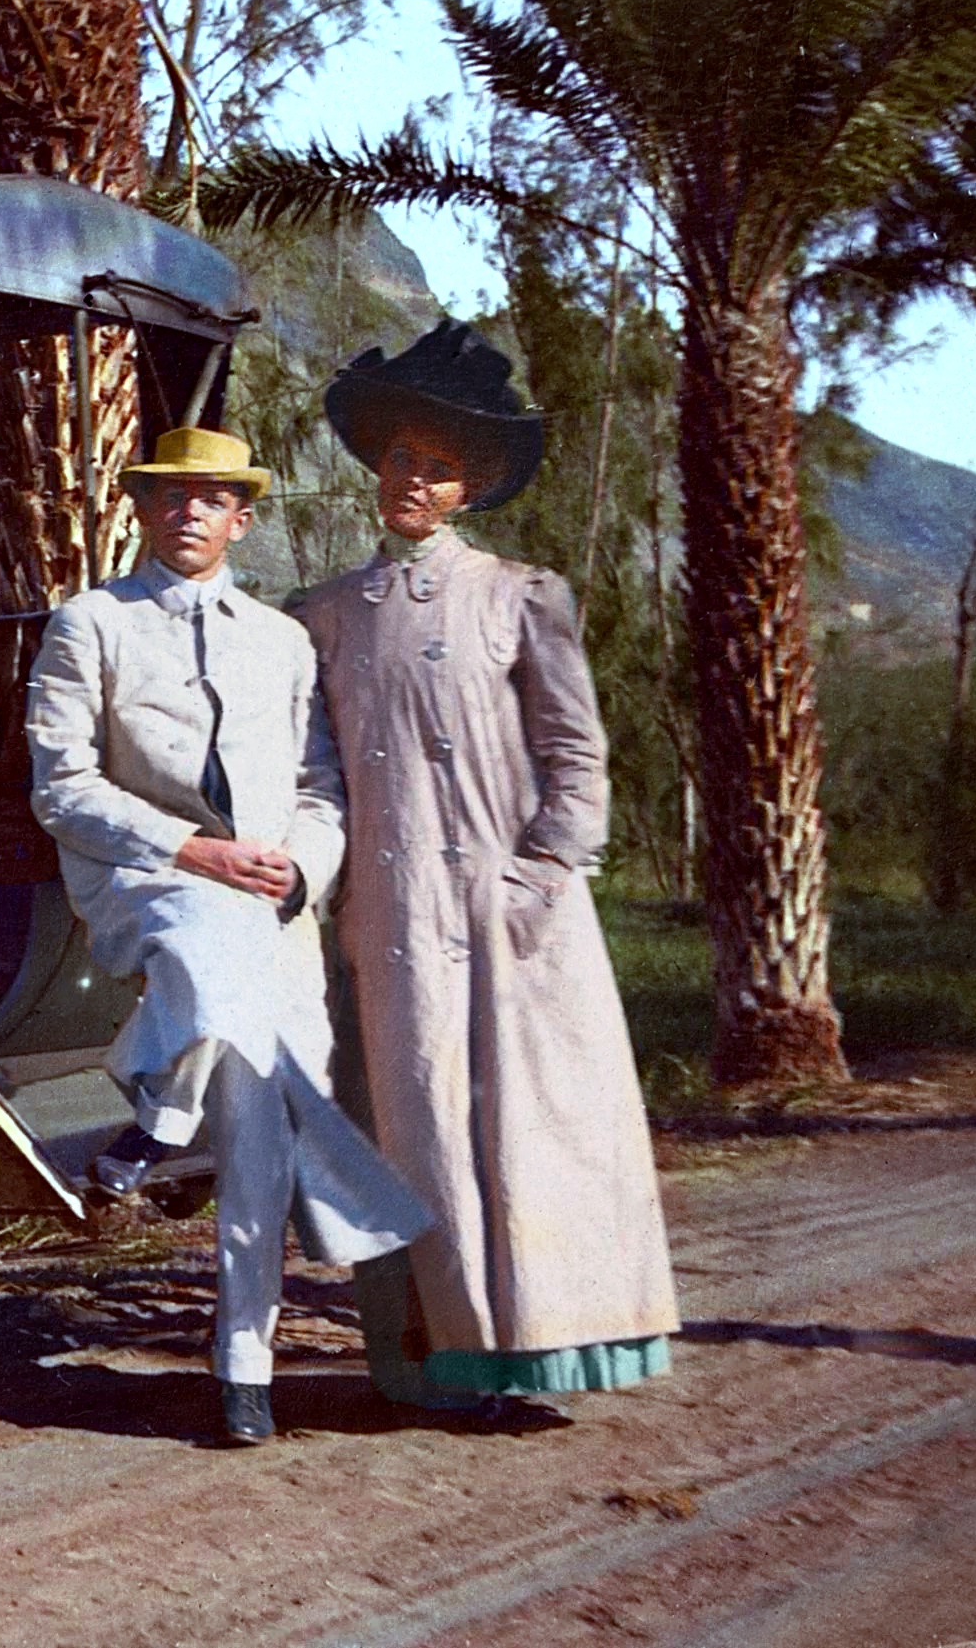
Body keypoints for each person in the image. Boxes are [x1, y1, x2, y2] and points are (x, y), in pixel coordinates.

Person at [297, 320, 679, 1412]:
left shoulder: (522, 597)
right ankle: (429, 1360)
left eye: (438, 467)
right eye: (400, 460)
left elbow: (574, 754)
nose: (412, 481)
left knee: (529, 1128)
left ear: (469, 486)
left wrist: (541, 873)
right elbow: (313, 769)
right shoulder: (323, 616)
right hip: (388, 913)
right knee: (409, 1122)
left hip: (511, 914)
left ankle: (547, 1346)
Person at [27, 425, 432, 1447]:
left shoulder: (281, 639)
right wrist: (192, 851)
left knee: (259, 1134)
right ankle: (163, 1116)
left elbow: (319, 787)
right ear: (145, 510)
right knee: (208, 948)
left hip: (272, 905)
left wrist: (303, 864)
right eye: (171, 495)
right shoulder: (90, 623)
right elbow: (62, 787)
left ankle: (242, 1366)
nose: (190, 511)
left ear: (240, 519)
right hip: (146, 881)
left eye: (212, 498)